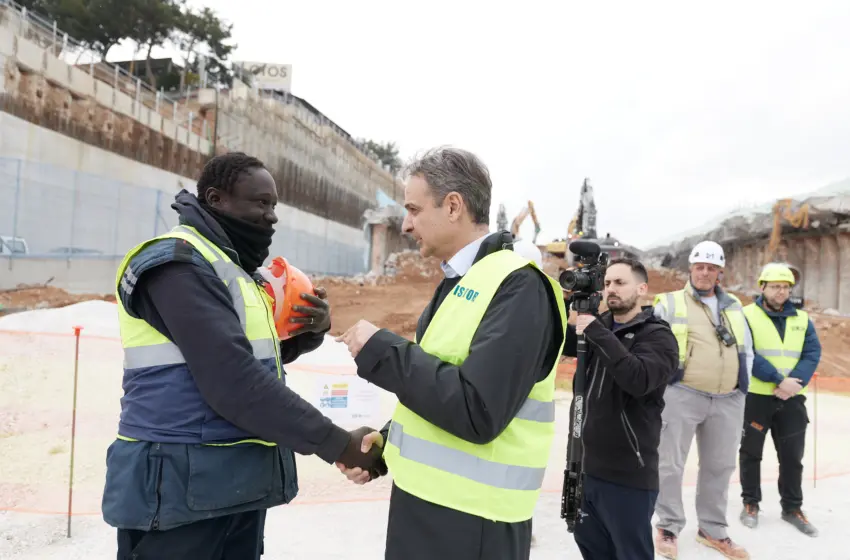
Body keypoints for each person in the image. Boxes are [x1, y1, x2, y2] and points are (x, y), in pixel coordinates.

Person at [101, 152, 383, 560]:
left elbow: (256, 358)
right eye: (260, 203)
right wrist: (338, 443)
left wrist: (312, 331)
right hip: (177, 495)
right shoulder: (177, 266)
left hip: (231, 490)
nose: (271, 217)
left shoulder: (234, 271)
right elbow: (233, 380)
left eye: (274, 206)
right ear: (216, 199)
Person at [335, 146, 567, 560]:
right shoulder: (463, 282)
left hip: (474, 524)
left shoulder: (519, 287)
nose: (406, 225)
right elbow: (441, 383)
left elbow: (478, 409)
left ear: (454, 206)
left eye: (413, 209)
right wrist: (388, 443)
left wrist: (383, 350)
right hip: (428, 508)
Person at [561, 258, 678, 559]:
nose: (611, 289)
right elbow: (558, 344)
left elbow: (638, 379)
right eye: (608, 283)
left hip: (628, 476)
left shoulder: (657, 336)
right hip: (585, 470)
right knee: (594, 552)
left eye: (620, 283)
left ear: (641, 289)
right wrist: (562, 306)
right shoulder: (597, 326)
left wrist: (596, 332)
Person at [652, 240, 753, 560]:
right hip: (683, 393)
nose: (705, 273)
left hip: (728, 399)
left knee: (720, 466)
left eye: (711, 268)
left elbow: (746, 348)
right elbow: (653, 345)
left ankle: (712, 530)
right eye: (700, 267)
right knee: (669, 463)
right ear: (691, 269)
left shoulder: (734, 305)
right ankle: (668, 525)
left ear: (720, 272)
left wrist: (741, 388)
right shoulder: (669, 302)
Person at [739, 263, 821, 537]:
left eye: (785, 287)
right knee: (751, 453)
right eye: (775, 286)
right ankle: (750, 503)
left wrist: (793, 383)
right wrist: (778, 379)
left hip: (792, 400)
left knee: (792, 457)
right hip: (757, 398)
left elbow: (812, 353)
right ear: (762, 287)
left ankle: (792, 508)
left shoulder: (802, 318)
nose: (780, 291)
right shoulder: (746, 315)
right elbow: (746, 351)